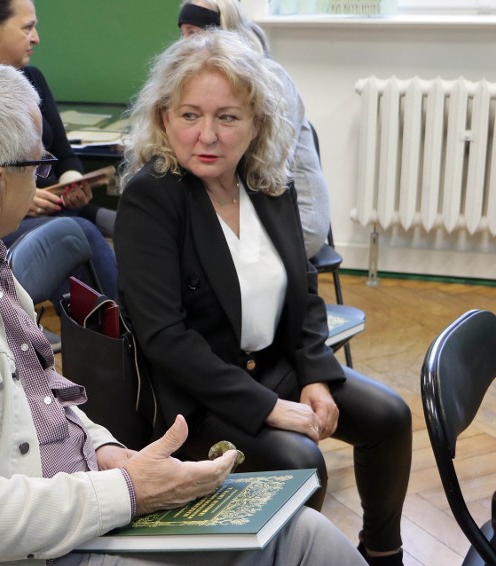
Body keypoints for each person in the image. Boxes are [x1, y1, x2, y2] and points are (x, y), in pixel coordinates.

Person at [0, 62, 367, 566]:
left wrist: (108, 454)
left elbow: (38, 398)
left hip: (58, 511)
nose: (48, 176)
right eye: (41, 164)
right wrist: (128, 491)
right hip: (5, 548)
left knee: (306, 537)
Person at [114, 31, 411, 566]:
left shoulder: (268, 182)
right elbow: (166, 340)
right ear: (163, 119)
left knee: (390, 417)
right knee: (301, 459)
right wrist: (270, 408)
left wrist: (316, 375)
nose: (207, 135)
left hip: (274, 368)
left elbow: (303, 290)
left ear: (256, 124)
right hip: (199, 399)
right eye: (189, 115)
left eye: (227, 117)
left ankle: (383, 555)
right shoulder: (150, 198)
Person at [0, 0, 118, 303]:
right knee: (80, 233)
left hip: (61, 205)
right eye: (27, 28)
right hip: (2, 223)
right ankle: (127, 334)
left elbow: (65, 155)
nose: (36, 37)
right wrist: (20, 199)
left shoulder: (33, 78)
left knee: (138, 221)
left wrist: (73, 181)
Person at [177, 0, 330, 259]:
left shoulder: (271, 78)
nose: (183, 46)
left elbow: (268, 165)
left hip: (292, 219)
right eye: (183, 34)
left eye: (193, 34)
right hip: (240, 204)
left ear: (221, 32)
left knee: (188, 244)